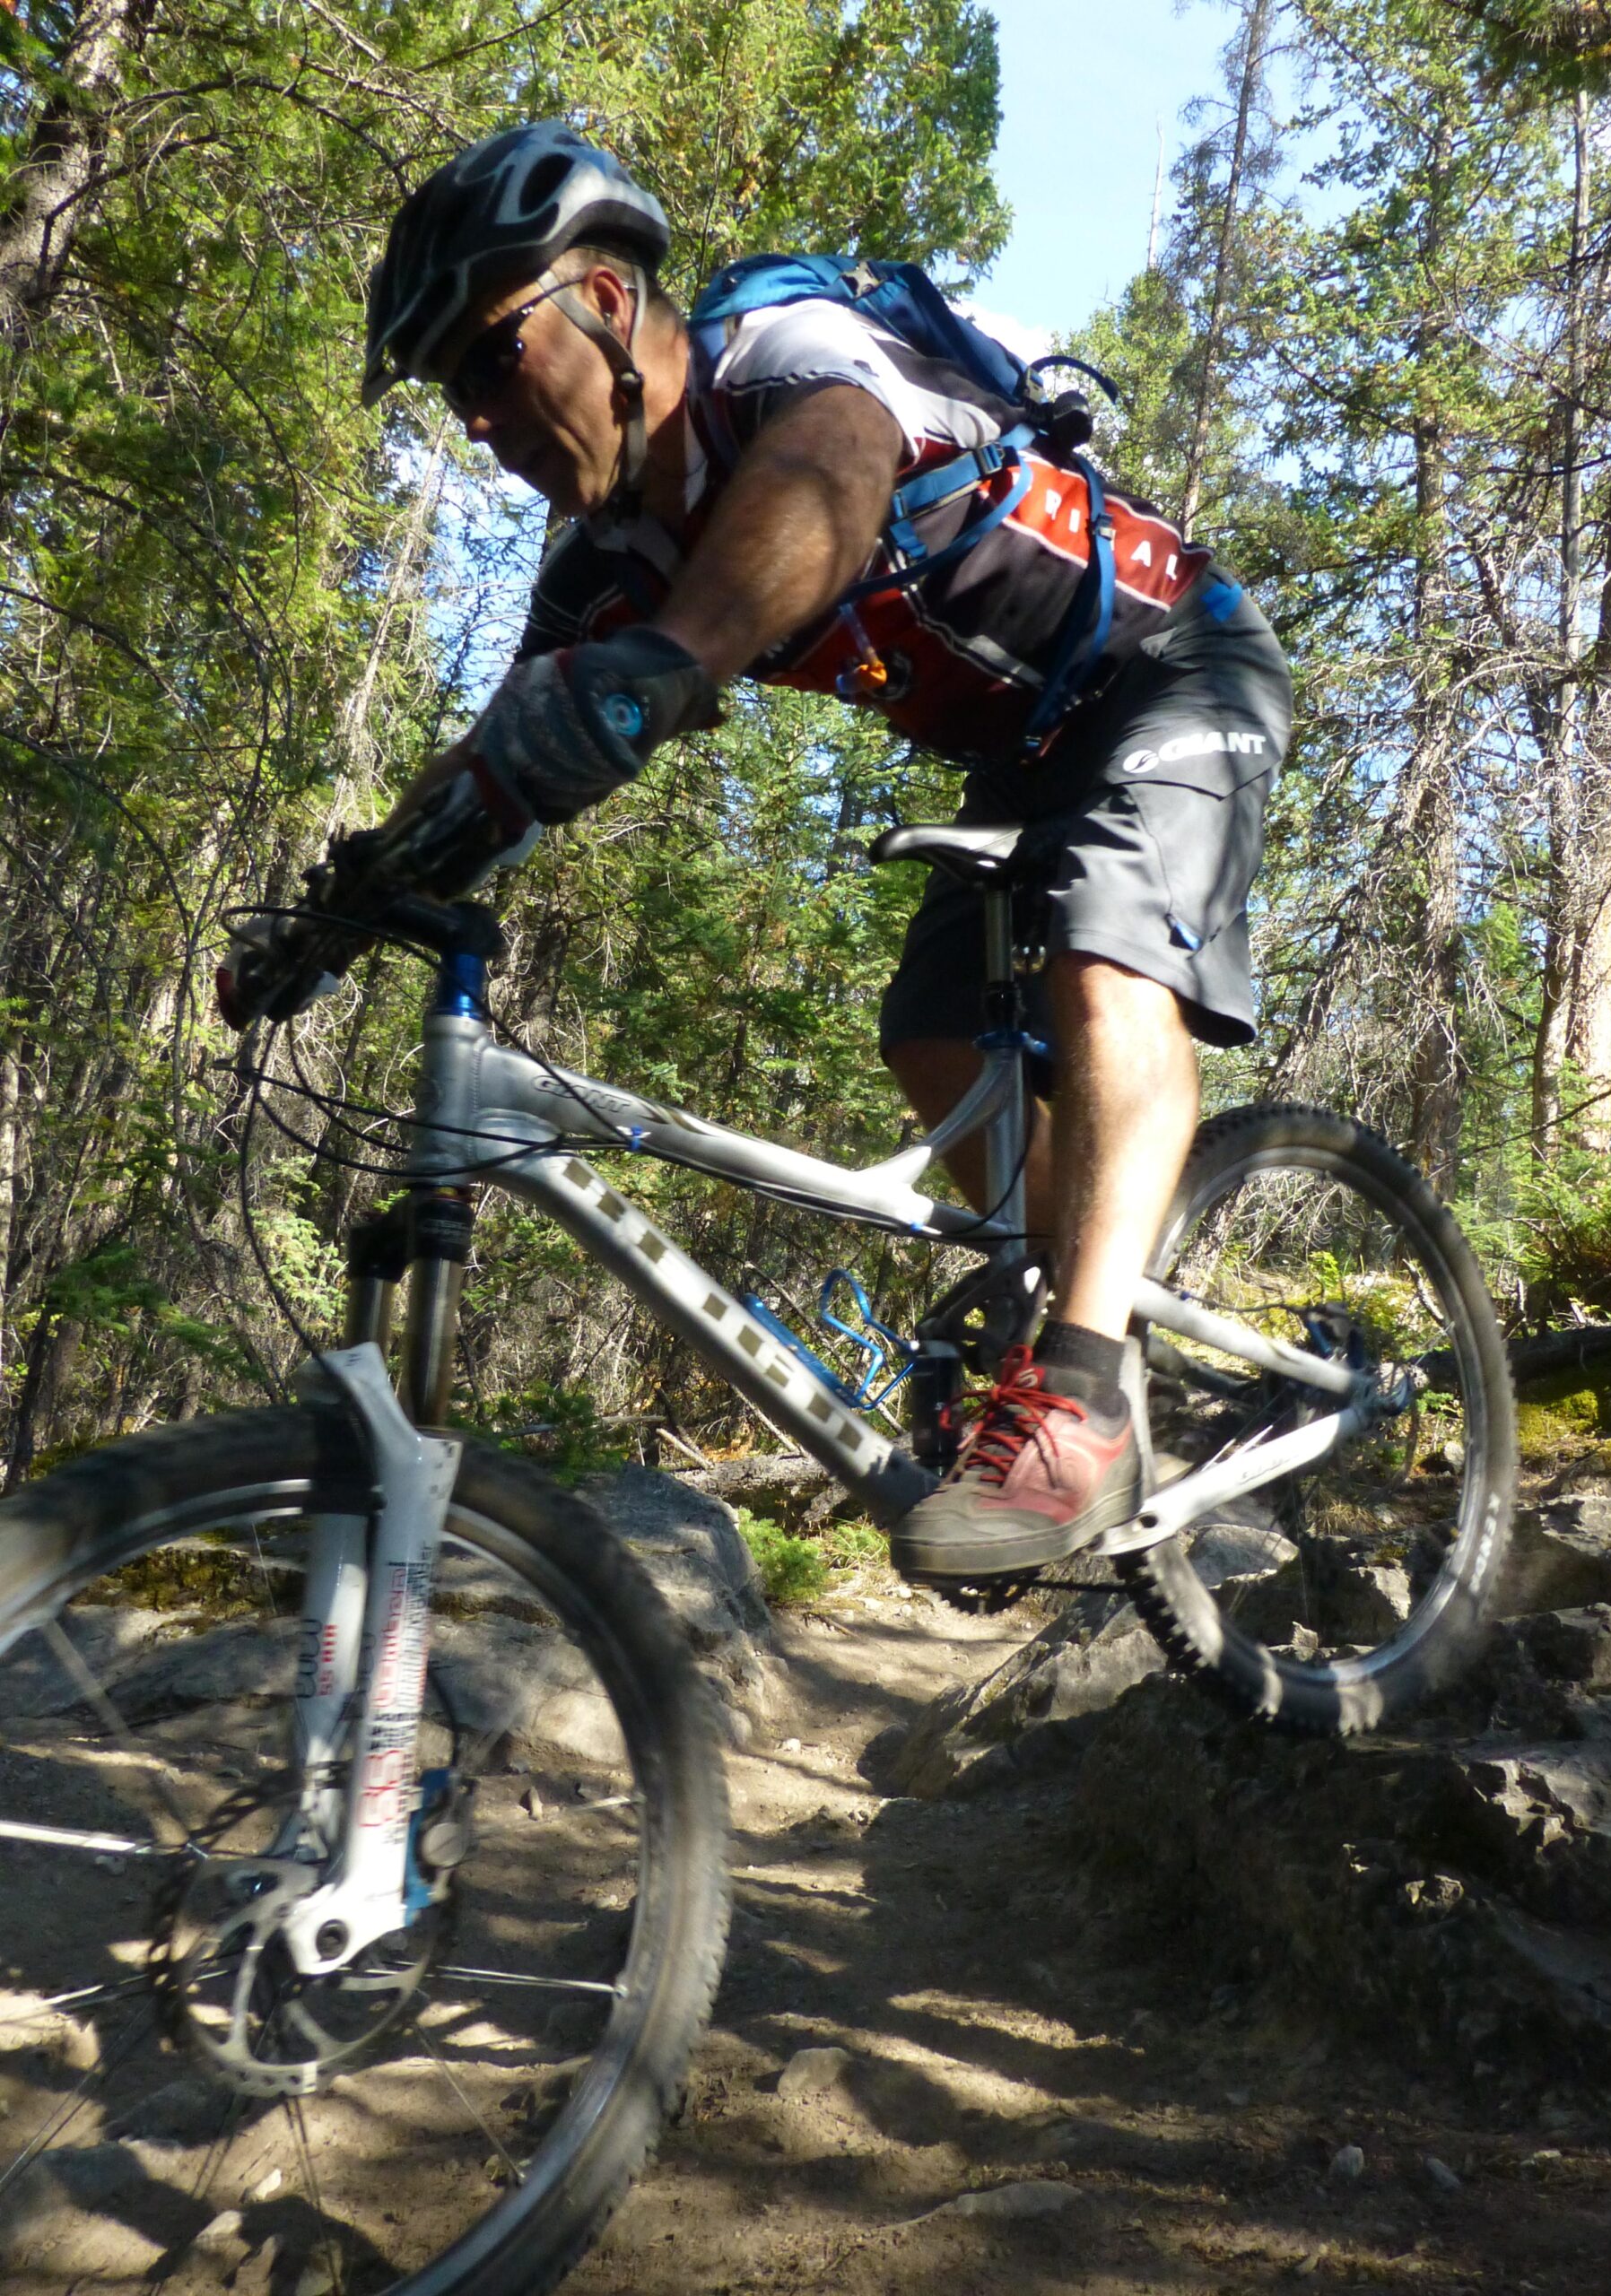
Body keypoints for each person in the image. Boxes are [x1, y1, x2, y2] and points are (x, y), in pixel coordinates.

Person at [360, 123, 1293, 1584]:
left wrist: (669, 665)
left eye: (485, 361)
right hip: (1028, 752)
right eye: (450, 397)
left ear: (604, 303)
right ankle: (1078, 1307)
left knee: (1111, 970)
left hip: (1178, 664)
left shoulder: (784, 353)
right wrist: (345, 900)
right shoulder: (604, 565)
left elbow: (834, 477)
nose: (476, 421)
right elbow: (493, 761)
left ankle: (1087, 1398)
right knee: (928, 1038)